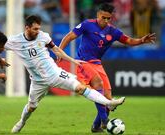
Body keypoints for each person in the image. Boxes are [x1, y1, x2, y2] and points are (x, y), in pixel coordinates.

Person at [5, 15, 125, 133]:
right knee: (31, 107)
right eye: (35, 29)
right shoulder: (14, 41)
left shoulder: (44, 36)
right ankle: (21, 122)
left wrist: (72, 61)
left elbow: (56, 50)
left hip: (55, 73)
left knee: (80, 88)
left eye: (39, 28)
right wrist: (0, 59)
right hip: (38, 81)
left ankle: (109, 103)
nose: (38, 31)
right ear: (27, 28)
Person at [58, 3, 156, 133]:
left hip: (97, 64)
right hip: (83, 62)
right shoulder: (87, 24)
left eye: (108, 18)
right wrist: (59, 51)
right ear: (98, 14)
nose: (106, 20)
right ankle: (105, 121)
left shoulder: (113, 31)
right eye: (103, 17)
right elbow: (69, 36)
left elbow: (128, 41)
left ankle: (96, 126)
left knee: (109, 100)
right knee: (98, 83)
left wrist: (141, 40)